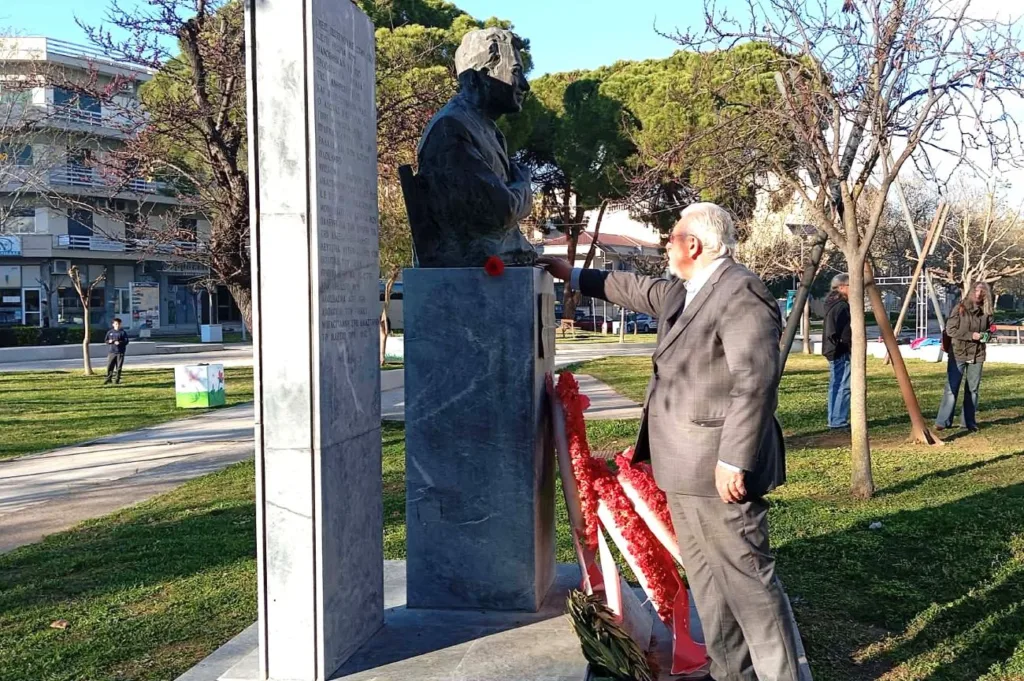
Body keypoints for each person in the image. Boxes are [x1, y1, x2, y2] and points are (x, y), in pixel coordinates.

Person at [539, 203, 804, 681]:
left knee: (750, 590)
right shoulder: (687, 291)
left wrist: (734, 459)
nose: (666, 242)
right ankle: (730, 674)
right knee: (709, 588)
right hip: (682, 469)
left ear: (695, 245)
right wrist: (570, 274)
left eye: (673, 235)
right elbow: (633, 288)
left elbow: (756, 381)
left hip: (721, 473)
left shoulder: (740, 291)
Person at [935, 282, 994, 432]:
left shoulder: (987, 312)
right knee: (952, 387)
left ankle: (968, 422)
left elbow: (991, 329)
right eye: (977, 290)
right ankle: (943, 421)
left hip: (978, 354)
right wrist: (970, 335)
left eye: (982, 291)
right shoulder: (960, 308)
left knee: (972, 390)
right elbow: (950, 330)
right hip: (958, 352)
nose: (979, 294)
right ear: (971, 292)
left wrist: (988, 335)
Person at [822, 273, 852, 430]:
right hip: (839, 351)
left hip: (833, 349)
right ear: (842, 287)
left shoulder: (832, 303)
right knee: (843, 385)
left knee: (836, 384)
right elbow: (837, 330)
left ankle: (834, 419)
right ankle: (838, 421)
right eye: (850, 285)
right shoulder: (841, 306)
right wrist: (844, 344)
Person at [104, 317, 129, 385]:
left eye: (118, 324)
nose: (117, 325)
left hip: (120, 352)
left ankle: (117, 379)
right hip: (112, 352)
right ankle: (109, 379)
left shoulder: (123, 332)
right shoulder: (110, 332)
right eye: (116, 324)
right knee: (110, 366)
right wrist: (109, 341)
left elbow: (126, 341)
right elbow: (106, 340)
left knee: (119, 367)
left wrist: (120, 343)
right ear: (113, 324)